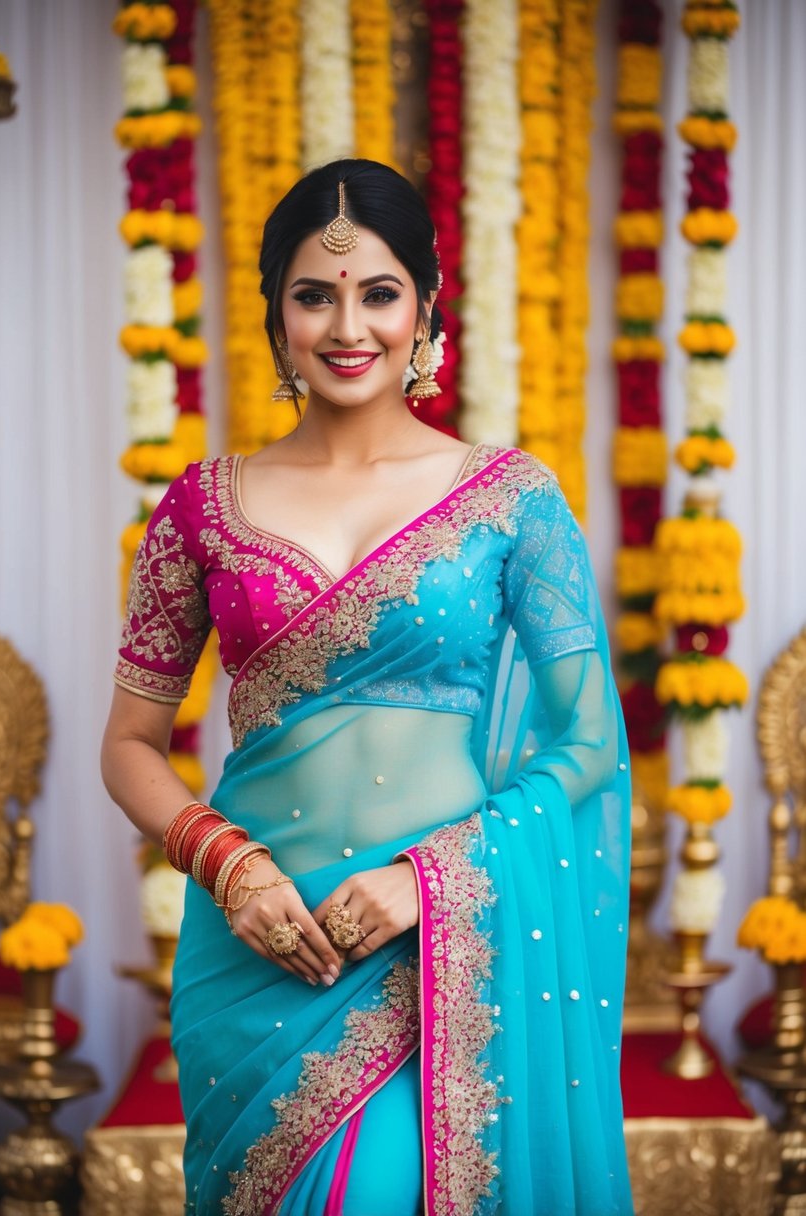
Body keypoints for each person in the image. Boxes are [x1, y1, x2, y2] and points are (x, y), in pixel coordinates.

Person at [101, 158, 633, 1216]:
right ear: (276, 317)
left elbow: (584, 742)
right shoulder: (203, 508)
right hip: (256, 948)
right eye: (314, 294)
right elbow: (129, 744)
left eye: (378, 292)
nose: (349, 325)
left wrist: (423, 881)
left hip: (436, 946)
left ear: (426, 309)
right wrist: (232, 870)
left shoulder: (510, 501)